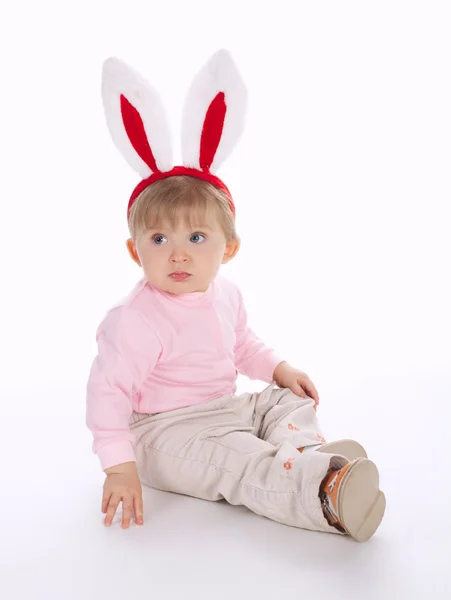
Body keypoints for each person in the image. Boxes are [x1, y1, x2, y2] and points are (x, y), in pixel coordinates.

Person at [86, 50, 386, 543]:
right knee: (238, 465)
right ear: (134, 250)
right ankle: (325, 494)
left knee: (284, 400)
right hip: (167, 434)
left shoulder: (225, 293)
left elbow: (241, 343)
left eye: (196, 239)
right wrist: (118, 466)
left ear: (229, 248)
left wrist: (277, 368)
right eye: (159, 240)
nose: (177, 256)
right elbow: (107, 394)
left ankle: (305, 454)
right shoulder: (134, 320)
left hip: (224, 408)